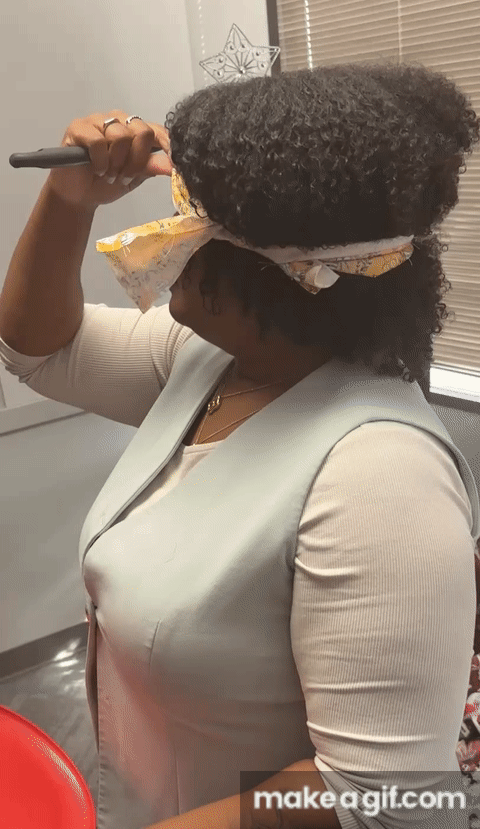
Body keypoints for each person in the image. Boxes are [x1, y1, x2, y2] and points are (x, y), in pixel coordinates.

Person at [1, 60, 479, 829]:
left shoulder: (382, 482)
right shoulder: (209, 361)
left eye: (190, 221)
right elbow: (39, 347)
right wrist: (68, 199)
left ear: (284, 272)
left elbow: (384, 798)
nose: (163, 241)